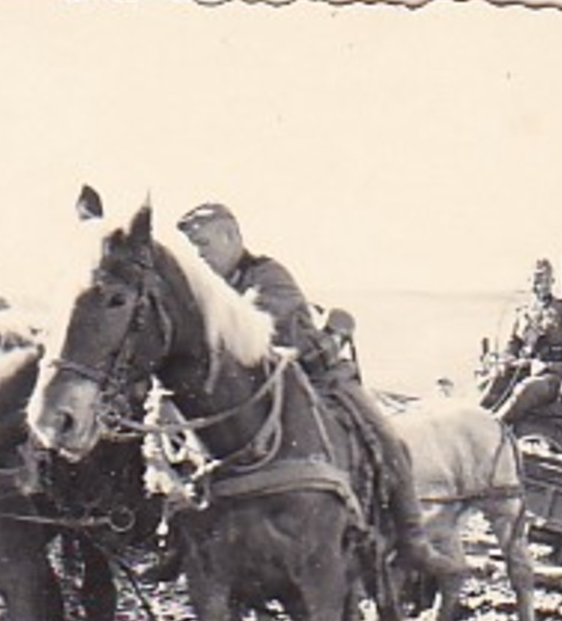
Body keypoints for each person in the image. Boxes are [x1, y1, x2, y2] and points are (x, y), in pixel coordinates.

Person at [174, 202, 460, 583]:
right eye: (192, 248)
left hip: (318, 378)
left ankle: (412, 541)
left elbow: (252, 324)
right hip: (259, 393)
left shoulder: (267, 275)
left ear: (231, 237)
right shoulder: (206, 290)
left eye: (203, 244)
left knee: (389, 441)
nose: (198, 256)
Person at [480, 259, 562, 424]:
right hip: (526, 368)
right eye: (536, 280)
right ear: (529, 282)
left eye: (545, 280)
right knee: (493, 380)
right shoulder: (522, 313)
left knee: (525, 390)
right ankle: (476, 420)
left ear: (552, 282)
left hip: (554, 375)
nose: (540, 285)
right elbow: (513, 344)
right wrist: (505, 360)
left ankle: (497, 425)